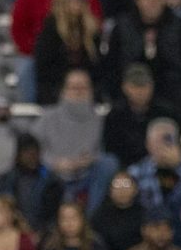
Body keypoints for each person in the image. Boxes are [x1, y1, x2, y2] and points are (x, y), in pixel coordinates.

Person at [103, 0, 181, 130]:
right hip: (128, 102)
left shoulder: (179, 27)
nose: (152, 2)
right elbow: (112, 67)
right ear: (137, 0)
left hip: (172, 101)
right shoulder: (122, 27)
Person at [31, 69, 119, 216]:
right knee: (34, 173)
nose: (78, 92)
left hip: (86, 175)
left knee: (110, 165)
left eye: (83, 87)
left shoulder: (99, 120)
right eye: (73, 87)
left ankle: (91, 219)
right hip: (52, 174)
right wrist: (56, 163)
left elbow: (104, 151)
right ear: (63, 90)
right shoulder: (47, 118)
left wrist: (88, 160)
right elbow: (31, 150)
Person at [33, 0, 101, 106]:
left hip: (86, 91)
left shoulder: (91, 28)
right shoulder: (51, 27)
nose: (78, 3)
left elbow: (97, 65)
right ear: (63, 0)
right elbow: (44, 66)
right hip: (56, 91)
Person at [103, 64, 175, 171]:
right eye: (135, 86)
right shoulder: (114, 116)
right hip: (124, 172)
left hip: (158, 168)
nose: (140, 91)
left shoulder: (165, 113)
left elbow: (171, 145)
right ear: (124, 87)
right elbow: (110, 151)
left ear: (152, 87)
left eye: (144, 86)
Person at [0, 134, 65, 237]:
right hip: (13, 233)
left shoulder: (52, 181)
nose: (32, 157)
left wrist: (41, 233)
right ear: (18, 155)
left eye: (35, 152)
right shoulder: (4, 181)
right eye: (27, 153)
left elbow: (55, 216)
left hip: (45, 235)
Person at [128, 118, 181, 211]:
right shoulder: (135, 172)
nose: (162, 147)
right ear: (148, 144)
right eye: (157, 141)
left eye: (168, 141)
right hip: (149, 222)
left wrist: (178, 166)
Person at [90, 172, 145, 250]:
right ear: (110, 190)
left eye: (126, 185)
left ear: (135, 189)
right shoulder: (100, 216)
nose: (122, 189)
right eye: (117, 185)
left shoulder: (145, 214)